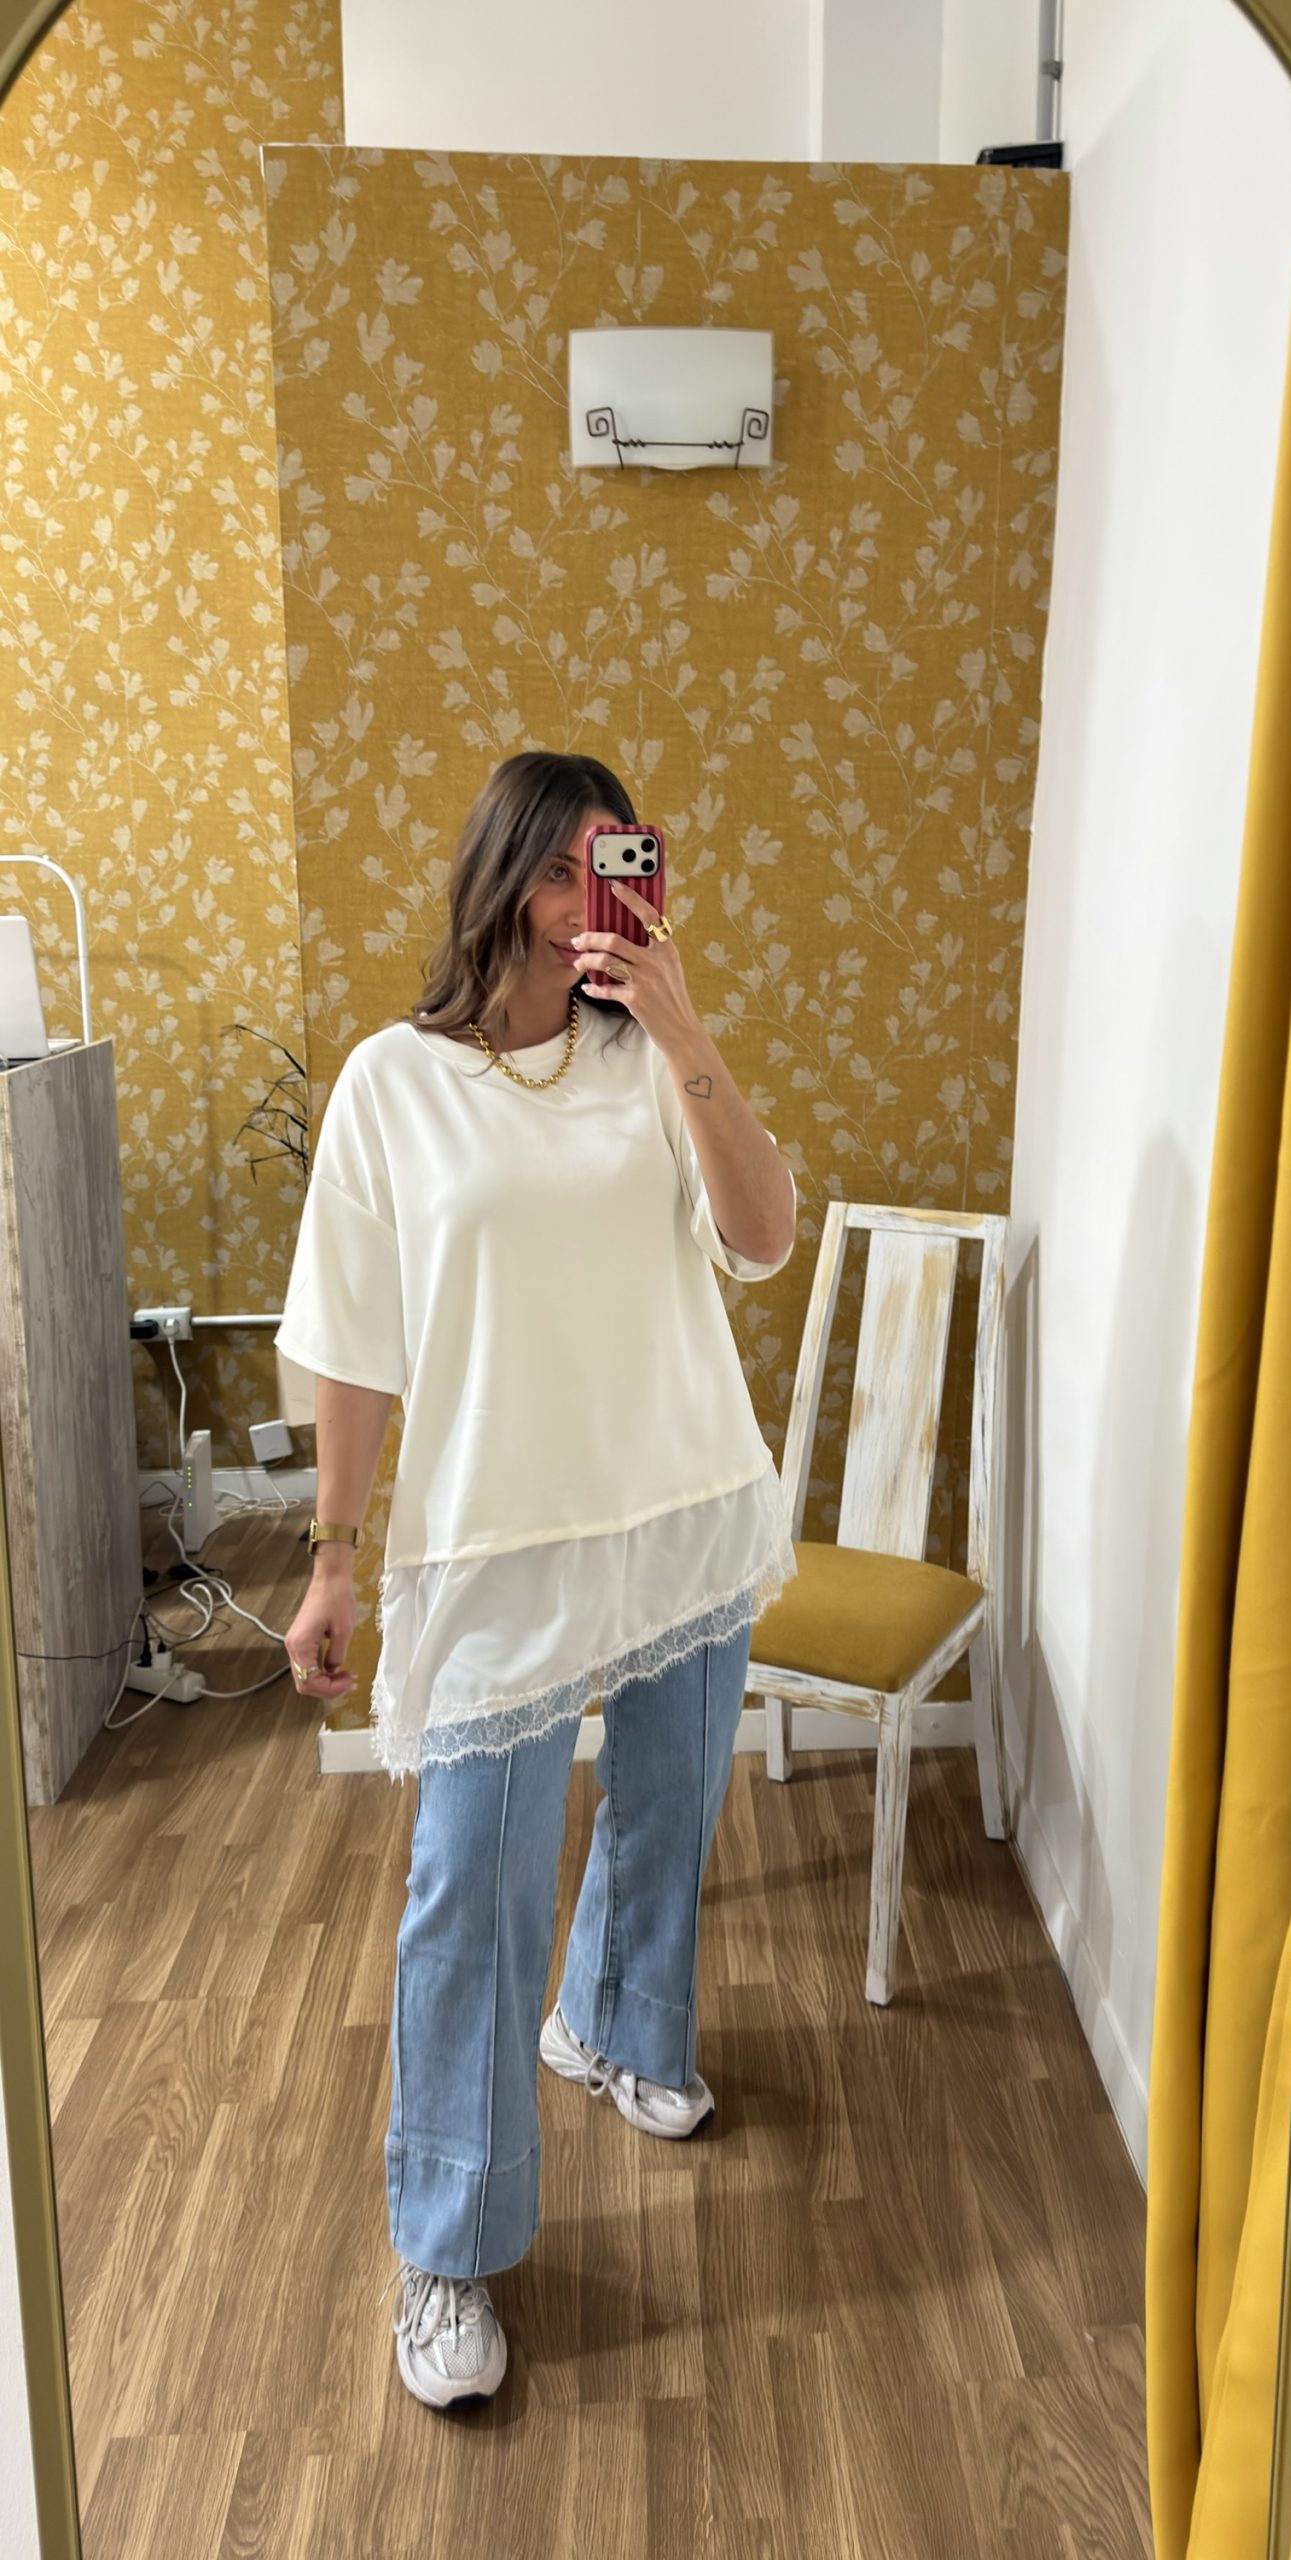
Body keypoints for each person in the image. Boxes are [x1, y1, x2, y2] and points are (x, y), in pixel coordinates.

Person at [273, 750, 798, 2408]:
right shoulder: (392, 1084)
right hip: (498, 1535)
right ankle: (447, 2243)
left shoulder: (650, 1061)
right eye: (562, 870)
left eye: (615, 867)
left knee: (669, 1802)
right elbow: (352, 1346)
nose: (588, 904)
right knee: (470, 1885)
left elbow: (763, 1237)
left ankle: (619, 2026)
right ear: (500, 879)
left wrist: (687, 1031)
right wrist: (334, 1562)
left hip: (679, 1500)